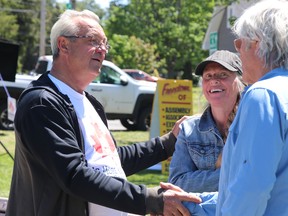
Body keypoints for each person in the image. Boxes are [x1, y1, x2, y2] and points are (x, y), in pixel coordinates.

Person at [5, 9, 201, 216]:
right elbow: (74, 175)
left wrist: (169, 142)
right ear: (63, 45)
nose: (102, 50)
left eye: (104, 44)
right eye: (93, 41)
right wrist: (150, 199)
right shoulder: (42, 103)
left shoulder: (89, 102)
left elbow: (110, 163)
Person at [162, 0, 288, 215]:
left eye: (240, 41)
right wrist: (194, 202)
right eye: (207, 77)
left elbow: (251, 188)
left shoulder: (262, 95)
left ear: (258, 43)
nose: (237, 47)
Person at [168, 50, 245, 193]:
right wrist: (234, 176)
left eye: (223, 74)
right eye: (208, 76)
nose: (214, 80)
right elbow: (177, 183)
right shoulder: (189, 129)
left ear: (240, 81)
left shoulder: (253, 124)